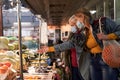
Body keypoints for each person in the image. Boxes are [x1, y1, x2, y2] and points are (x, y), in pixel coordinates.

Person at [38, 15, 90, 80]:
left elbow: (67, 45)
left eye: (73, 25)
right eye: (71, 25)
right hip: (73, 66)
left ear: (78, 23)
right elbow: (67, 49)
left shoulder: (84, 34)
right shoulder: (73, 35)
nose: (72, 27)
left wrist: (50, 49)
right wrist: (67, 64)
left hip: (83, 66)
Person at [74, 8, 120, 80]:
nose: (77, 22)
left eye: (77, 20)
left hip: (107, 58)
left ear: (82, 17)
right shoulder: (85, 31)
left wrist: (107, 36)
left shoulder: (103, 22)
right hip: (93, 60)